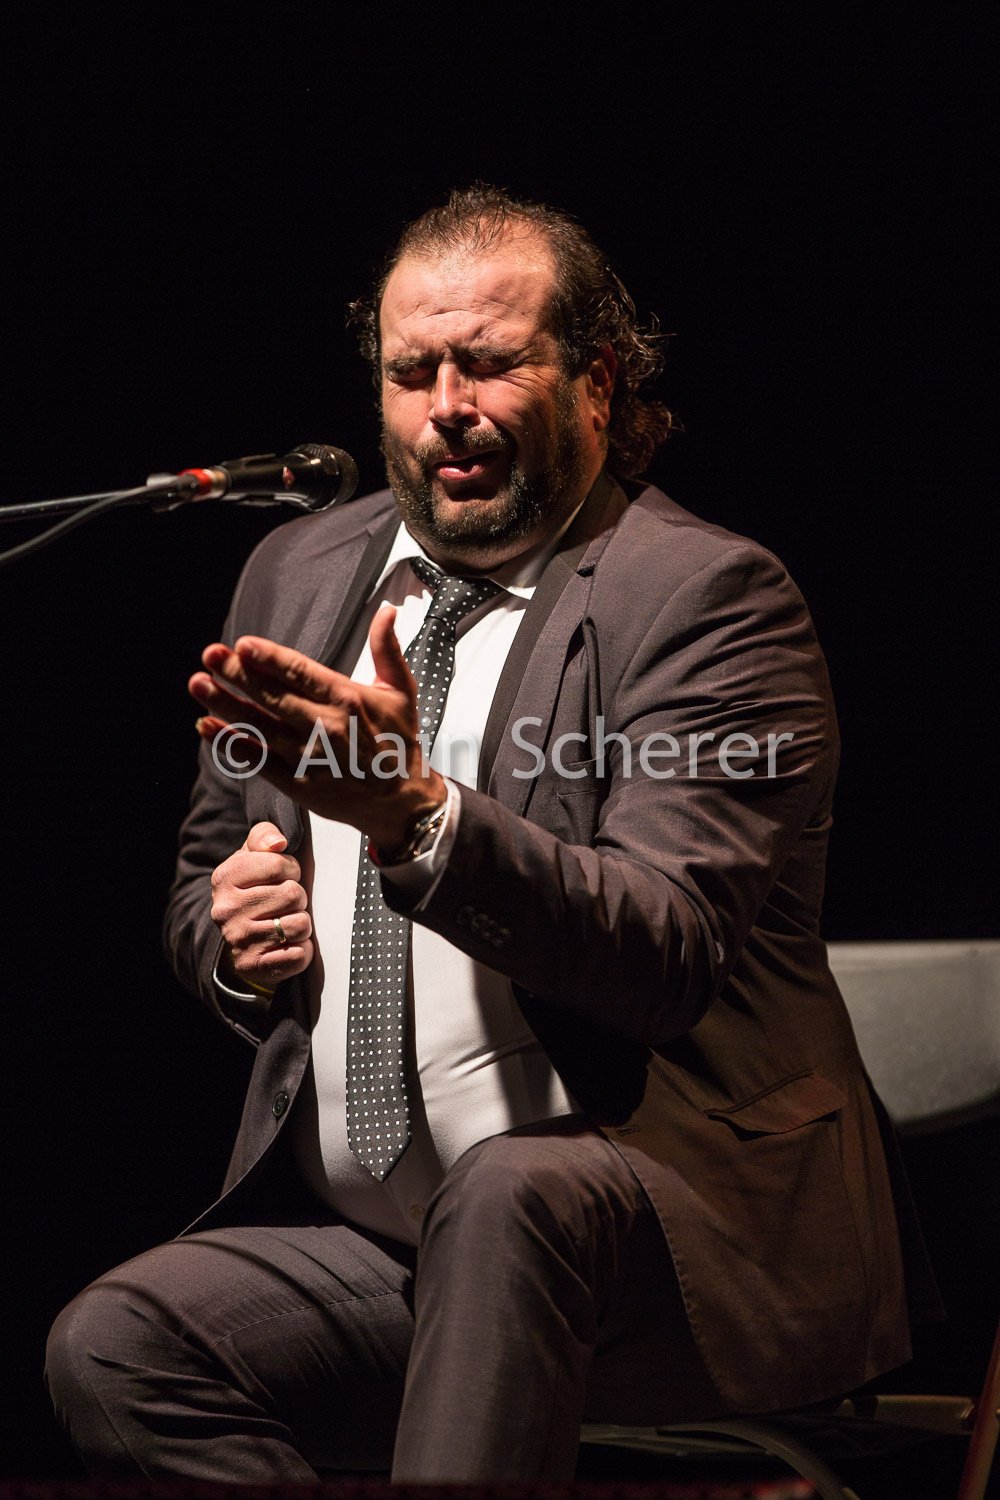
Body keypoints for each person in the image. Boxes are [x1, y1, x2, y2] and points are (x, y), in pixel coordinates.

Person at [46, 185, 930, 1482]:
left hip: (671, 1236)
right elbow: (203, 869)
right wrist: (233, 941)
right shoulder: (294, 573)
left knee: (512, 1194)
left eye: (493, 363)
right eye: (413, 372)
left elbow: (667, 949)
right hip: (384, 1247)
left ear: (597, 382)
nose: (447, 405)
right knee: (121, 1346)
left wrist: (415, 817)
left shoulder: (705, 597)